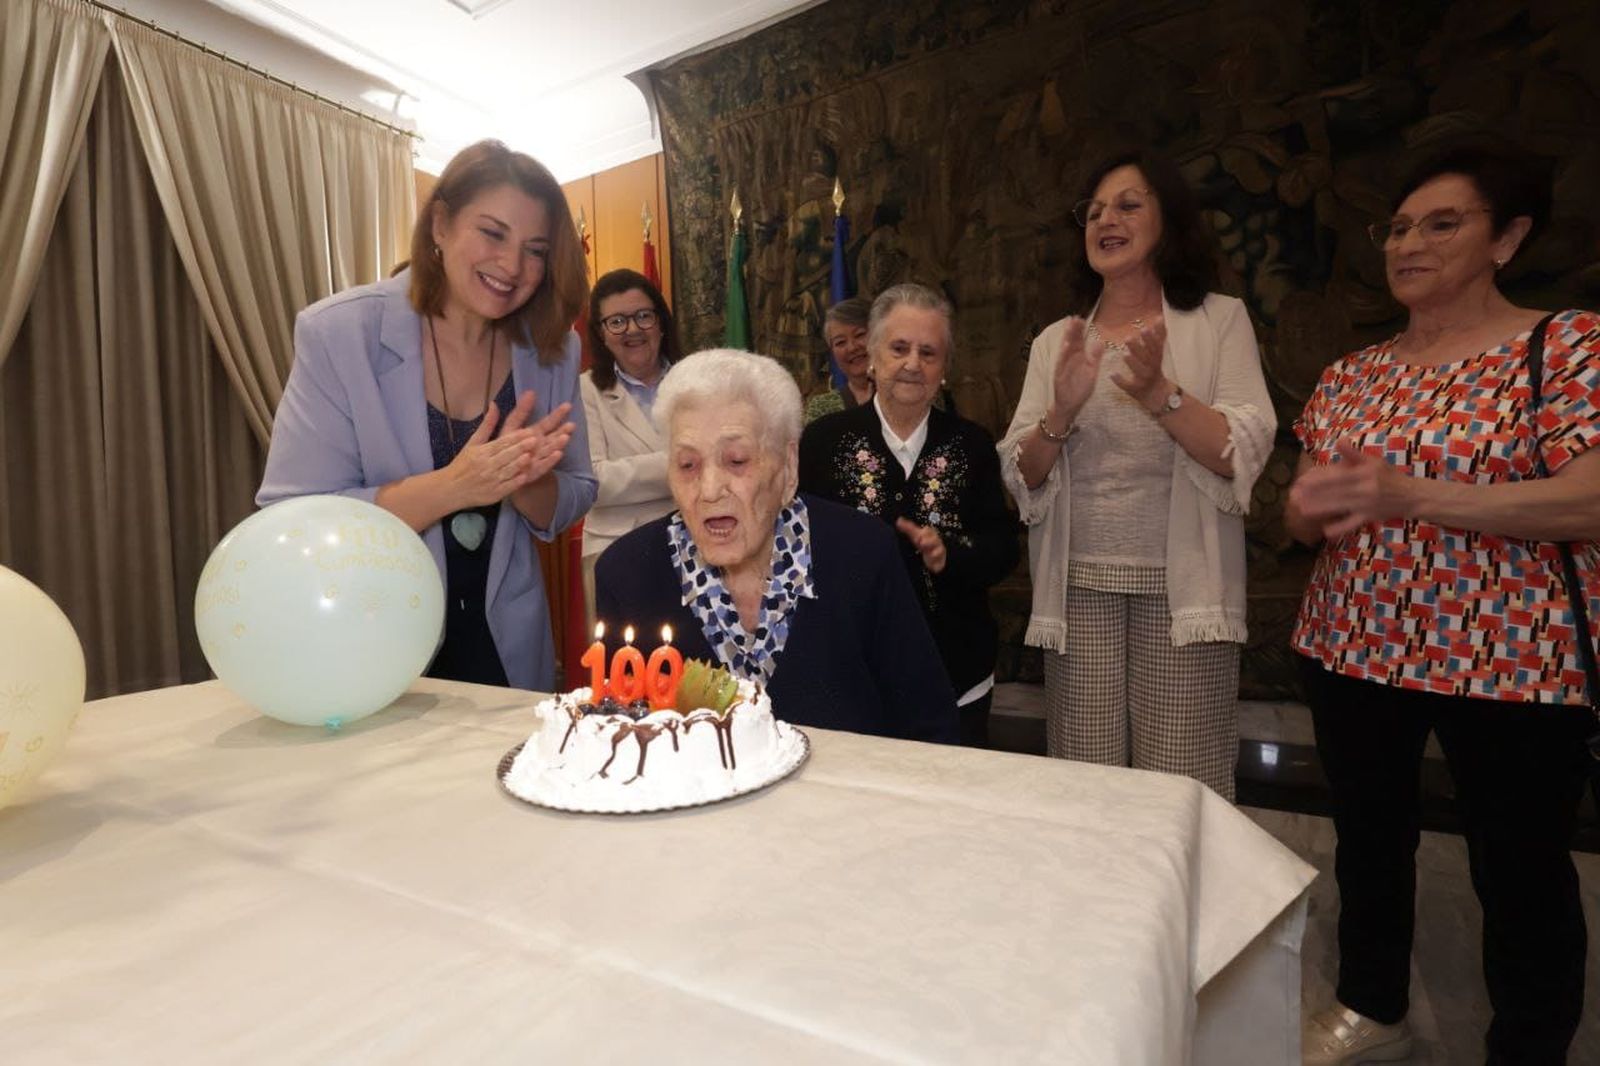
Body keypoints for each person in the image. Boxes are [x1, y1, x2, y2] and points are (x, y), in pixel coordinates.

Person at [1286, 144, 1598, 1066]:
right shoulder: (1351, 374)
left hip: (1510, 658)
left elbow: (1589, 500)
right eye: (1397, 228)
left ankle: (1527, 1048)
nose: (1408, 244)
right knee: (1368, 844)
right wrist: (1310, 509)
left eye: (1441, 223)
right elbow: (1303, 512)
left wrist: (1412, 495)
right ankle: (1371, 1005)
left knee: (1520, 870)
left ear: (1507, 238)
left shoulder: (1565, 345)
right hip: (1352, 645)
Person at [258, 139, 596, 691]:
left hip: (507, 651)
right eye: (493, 233)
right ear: (440, 224)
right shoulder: (340, 334)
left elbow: (577, 490)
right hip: (372, 643)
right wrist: (454, 487)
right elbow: (295, 520)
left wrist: (525, 481)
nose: (513, 266)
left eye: (535, 250)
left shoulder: (553, 348)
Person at [997, 148, 1276, 800]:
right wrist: (1060, 413)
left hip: (1185, 593)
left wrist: (1160, 394)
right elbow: (1023, 476)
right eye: (1094, 211)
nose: (1105, 221)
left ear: (1167, 219)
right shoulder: (1057, 341)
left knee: (1180, 787)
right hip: (1078, 589)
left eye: (1127, 205)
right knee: (1089, 790)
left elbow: (1241, 450)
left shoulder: (1218, 320)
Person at [595, 349, 959, 742]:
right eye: (688, 465)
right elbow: (620, 736)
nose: (709, 489)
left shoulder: (863, 554)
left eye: (736, 461)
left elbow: (930, 726)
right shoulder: (627, 574)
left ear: (788, 467)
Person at [800, 284, 1018, 746]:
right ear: (873, 356)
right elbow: (795, 545)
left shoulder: (972, 445)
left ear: (944, 368)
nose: (913, 364)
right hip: (851, 676)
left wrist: (949, 554)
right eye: (899, 348)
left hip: (957, 678)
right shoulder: (822, 442)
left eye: (928, 352)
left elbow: (1002, 548)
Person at [579, 269, 683, 623]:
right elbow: (592, 482)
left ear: (661, 322)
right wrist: (681, 464)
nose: (632, 330)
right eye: (617, 322)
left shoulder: (696, 380)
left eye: (643, 316)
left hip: (696, 543)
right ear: (601, 334)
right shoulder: (584, 390)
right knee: (625, 655)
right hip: (614, 549)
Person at [803, 296, 873, 424]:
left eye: (859, 335)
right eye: (840, 342)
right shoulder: (822, 408)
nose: (852, 348)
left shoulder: (904, 394)